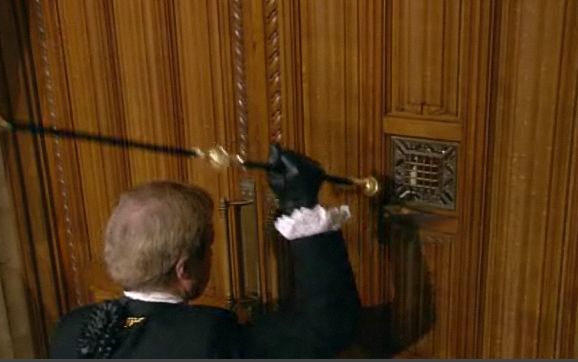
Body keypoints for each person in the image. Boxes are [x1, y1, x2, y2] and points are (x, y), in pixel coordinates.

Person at [49, 144, 360, 358]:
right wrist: (301, 206)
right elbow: (324, 331)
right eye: (209, 247)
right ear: (184, 269)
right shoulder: (205, 338)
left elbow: (140, 327)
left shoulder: (72, 328)